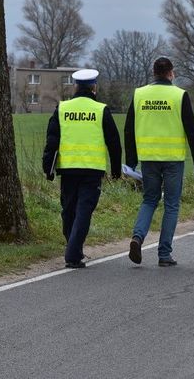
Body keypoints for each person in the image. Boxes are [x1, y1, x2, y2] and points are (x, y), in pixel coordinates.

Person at [124, 57, 194, 267]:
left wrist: (131, 160)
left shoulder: (139, 94)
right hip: (173, 159)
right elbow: (191, 129)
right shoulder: (179, 95)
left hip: (148, 158)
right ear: (171, 73)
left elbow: (129, 128)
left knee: (149, 200)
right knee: (171, 205)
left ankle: (138, 237)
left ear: (153, 73)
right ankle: (164, 254)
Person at [42, 69, 122, 269]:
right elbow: (114, 142)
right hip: (92, 170)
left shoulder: (62, 108)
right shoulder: (101, 109)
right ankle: (73, 252)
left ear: (76, 86)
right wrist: (116, 171)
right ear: (94, 87)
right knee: (84, 211)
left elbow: (52, 140)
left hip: (68, 169)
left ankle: (73, 249)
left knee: (68, 211)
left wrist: (48, 168)